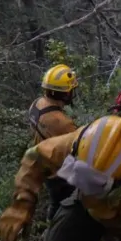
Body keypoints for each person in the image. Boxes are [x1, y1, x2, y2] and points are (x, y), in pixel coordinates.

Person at [28, 64, 79, 221]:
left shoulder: (36, 104)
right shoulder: (61, 122)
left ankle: (51, 225)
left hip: (45, 164)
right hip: (60, 173)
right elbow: (80, 147)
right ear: (65, 94)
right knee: (70, 206)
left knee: (55, 202)